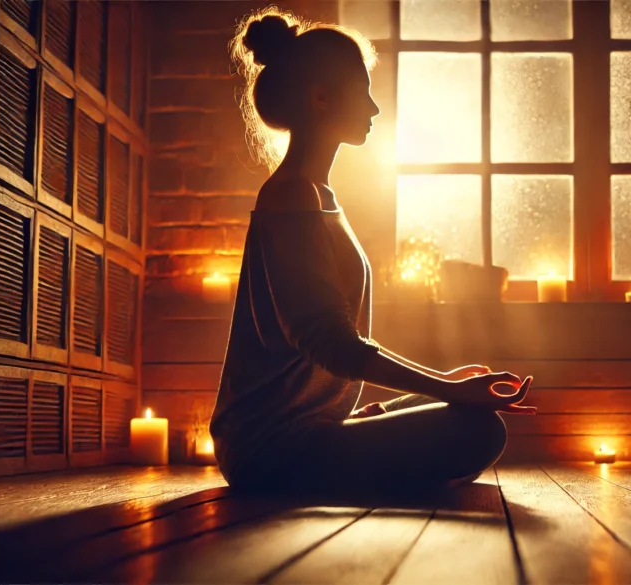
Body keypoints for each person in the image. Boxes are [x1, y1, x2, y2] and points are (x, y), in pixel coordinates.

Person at [210, 7, 535, 494]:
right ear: (321, 98)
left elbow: (333, 350)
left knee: (470, 412)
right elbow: (332, 344)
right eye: (362, 92)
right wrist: (446, 388)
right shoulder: (290, 196)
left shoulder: (317, 196)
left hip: (314, 430)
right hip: (270, 448)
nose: (374, 109)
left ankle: (363, 438)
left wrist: (447, 382)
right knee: (478, 429)